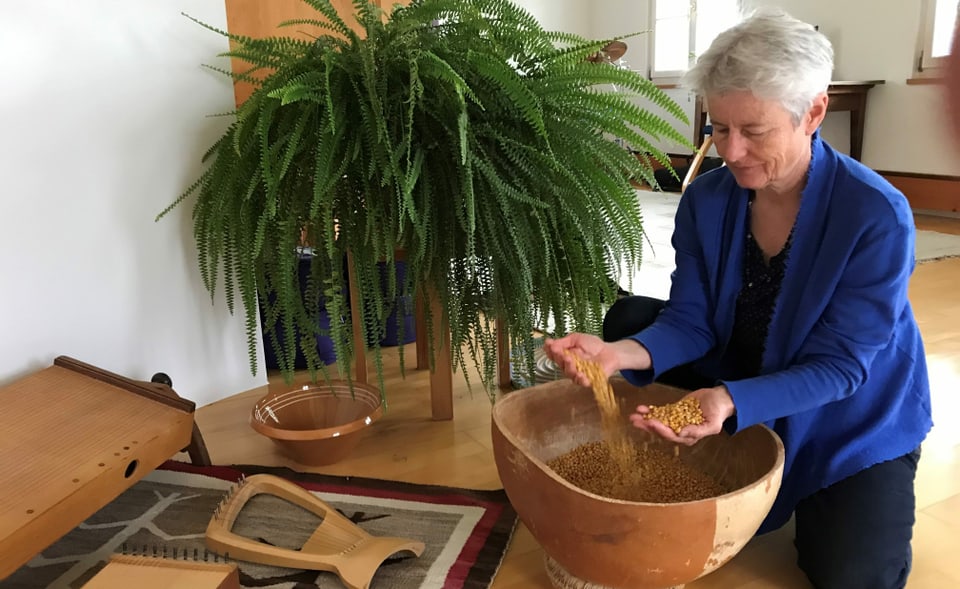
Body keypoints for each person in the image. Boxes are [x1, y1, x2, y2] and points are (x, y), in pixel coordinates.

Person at [544, 9, 932, 589]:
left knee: (853, 575)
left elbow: (842, 367)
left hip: (846, 412)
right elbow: (693, 322)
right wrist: (616, 356)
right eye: (718, 129)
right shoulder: (707, 200)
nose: (733, 150)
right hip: (749, 364)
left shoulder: (874, 214)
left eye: (754, 130)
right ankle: (740, 426)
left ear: (814, 113)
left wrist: (726, 401)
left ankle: (823, 469)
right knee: (630, 320)